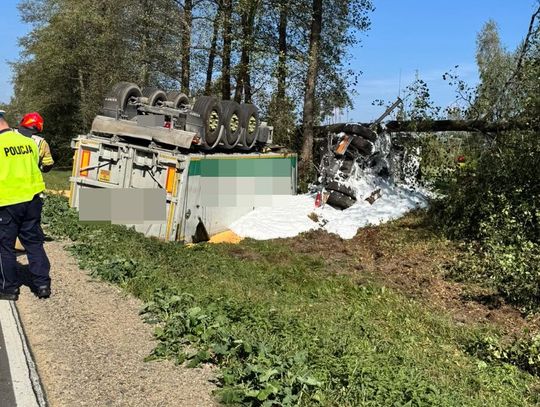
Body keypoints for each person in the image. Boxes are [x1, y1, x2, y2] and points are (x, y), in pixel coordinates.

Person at [0, 109, 51, 301]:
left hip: (7, 202)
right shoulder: (29, 143)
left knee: (5, 247)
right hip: (32, 200)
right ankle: (42, 284)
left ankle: (8, 288)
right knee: (33, 242)